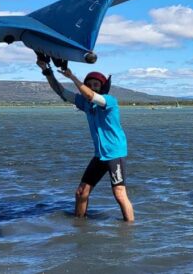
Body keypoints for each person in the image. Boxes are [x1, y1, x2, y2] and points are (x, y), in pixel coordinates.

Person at [38, 59, 134, 222]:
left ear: (102, 87)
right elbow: (61, 91)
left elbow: (90, 95)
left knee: (119, 194)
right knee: (81, 192)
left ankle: (130, 229)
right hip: (100, 155)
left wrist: (73, 77)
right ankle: (80, 226)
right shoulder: (85, 104)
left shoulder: (109, 101)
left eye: (95, 84)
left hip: (115, 153)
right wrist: (47, 71)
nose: (91, 86)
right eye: (88, 83)